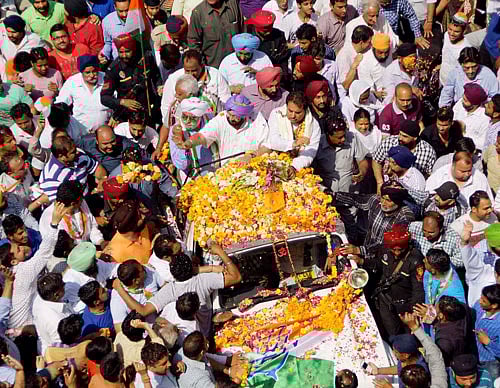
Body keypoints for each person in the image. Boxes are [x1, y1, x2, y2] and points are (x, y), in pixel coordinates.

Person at [111, 243, 242, 338]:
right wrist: (220, 252)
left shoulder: (169, 290)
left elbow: (143, 311)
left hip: (190, 337)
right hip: (207, 330)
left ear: (173, 273)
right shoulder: (203, 280)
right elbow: (236, 277)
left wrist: (120, 290)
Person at [349, 224, 424, 338]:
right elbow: (379, 265)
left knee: (408, 335)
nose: (397, 253)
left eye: (400, 250)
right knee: (392, 333)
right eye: (394, 249)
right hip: (385, 300)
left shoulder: (415, 260)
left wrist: (414, 311)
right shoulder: (384, 249)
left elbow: (418, 289)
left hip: (404, 305)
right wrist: (362, 261)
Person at [176, 94, 272, 166]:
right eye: (229, 114)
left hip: (254, 167)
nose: (231, 118)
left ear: (244, 115)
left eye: (235, 116)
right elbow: (203, 135)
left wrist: (251, 156)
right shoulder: (221, 118)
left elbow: (267, 147)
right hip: (228, 170)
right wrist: (189, 143)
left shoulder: (256, 119)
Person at [160, 49, 231, 129]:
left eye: (194, 70)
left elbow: (226, 102)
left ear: (202, 65)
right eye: (187, 71)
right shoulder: (174, 79)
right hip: (182, 128)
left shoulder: (215, 75)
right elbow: (166, 106)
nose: (191, 74)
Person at [334, 181, 415, 251]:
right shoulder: (376, 201)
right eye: (383, 198)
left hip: (385, 258)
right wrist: (333, 196)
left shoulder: (405, 217)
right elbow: (356, 199)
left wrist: (359, 250)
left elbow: (389, 244)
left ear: (398, 202)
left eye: (388, 201)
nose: (383, 203)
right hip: (367, 247)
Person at [101, 33, 162, 124]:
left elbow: (156, 76)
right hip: (127, 115)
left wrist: (159, 86)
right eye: (121, 52)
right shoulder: (114, 69)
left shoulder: (146, 59)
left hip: (149, 110)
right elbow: (104, 98)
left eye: (127, 51)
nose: (124, 55)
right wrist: (122, 102)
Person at [312, 109, 369, 192]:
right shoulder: (318, 144)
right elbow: (313, 171)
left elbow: (362, 161)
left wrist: (362, 172)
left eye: (344, 135)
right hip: (327, 196)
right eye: (339, 137)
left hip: (350, 195)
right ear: (329, 135)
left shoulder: (352, 138)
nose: (344, 139)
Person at [373, 120, 436, 194]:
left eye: (405, 136)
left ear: (415, 138)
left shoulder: (427, 151)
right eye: (400, 134)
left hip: (412, 191)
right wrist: (379, 183)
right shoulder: (389, 142)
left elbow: (430, 174)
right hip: (387, 187)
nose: (400, 138)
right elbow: (376, 160)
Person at [39, 136, 107, 202]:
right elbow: (61, 205)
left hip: (87, 198)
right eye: (73, 152)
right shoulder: (52, 177)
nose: (77, 152)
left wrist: (102, 180)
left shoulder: (80, 156)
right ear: (61, 156)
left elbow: (97, 168)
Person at [56, 56, 112, 136]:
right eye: (87, 72)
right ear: (81, 72)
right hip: (80, 134)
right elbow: (60, 104)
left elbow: (117, 100)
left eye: (94, 71)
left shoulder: (107, 79)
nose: (92, 75)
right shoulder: (72, 82)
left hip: (105, 133)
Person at [267, 91, 321, 172]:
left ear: (305, 110)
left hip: (299, 168)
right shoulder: (276, 114)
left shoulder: (313, 124)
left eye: (298, 112)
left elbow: (310, 153)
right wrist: (294, 144)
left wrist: (294, 167)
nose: (293, 116)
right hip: (274, 162)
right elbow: (273, 141)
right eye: (290, 111)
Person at [168, 97, 215, 181]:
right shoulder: (176, 130)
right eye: (185, 117)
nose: (188, 121)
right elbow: (181, 165)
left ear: (200, 117)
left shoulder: (211, 122)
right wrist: (182, 146)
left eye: (193, 118)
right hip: (191, 177)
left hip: (214, 173)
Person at [187, 0, 244, 67]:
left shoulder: (233, 4)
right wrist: (203, 67)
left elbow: (243, 31)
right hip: (213, 66)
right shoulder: (198, 13)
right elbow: (193, 43)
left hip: (237, 64)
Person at [426, 151, 493, 206]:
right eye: (463, 171)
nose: (467, 174)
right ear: (453, 166)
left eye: (469, 170)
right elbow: (428, 196)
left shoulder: (480, 178)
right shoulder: (440, 175)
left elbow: (489, 203)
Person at [32, 272, 75, 354]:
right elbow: (62, 346)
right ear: (56, 294)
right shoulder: (56, 320)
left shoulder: (42, 298)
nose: (64, 286)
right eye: (62, 285)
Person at [471, 284, 500, 381]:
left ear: (494, 305)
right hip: (474, 355)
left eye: (483, 301)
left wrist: (487, 342)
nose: (479, 301)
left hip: (490, 362)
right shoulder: (478, 306)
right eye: (481, 297)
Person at [452, 83, 489, 152]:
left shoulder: (485, 119)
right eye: (463, 97)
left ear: (475, 104)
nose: (462, 100)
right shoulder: (460, 103)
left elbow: (483, 143)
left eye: (466, 100)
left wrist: (463, 133)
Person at [439, 12, 471, 87]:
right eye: (450, 29)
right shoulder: (446, 35)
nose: (452, 34)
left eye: (456, 31)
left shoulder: (466, 49)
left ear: (464, 31)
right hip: (442, 79)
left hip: (455, 85)